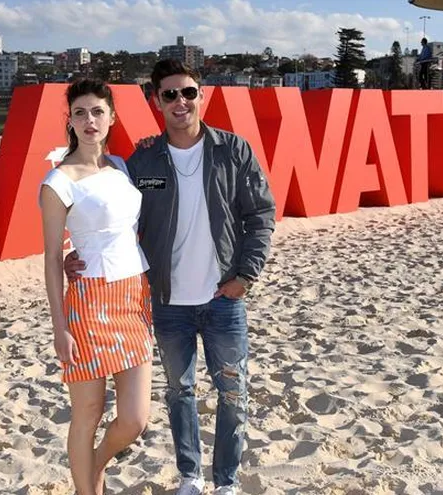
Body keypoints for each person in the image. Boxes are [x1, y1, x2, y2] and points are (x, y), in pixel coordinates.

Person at [66, 60, 276, 494]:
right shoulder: (143, 160)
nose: (181, 102)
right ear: (155, 101)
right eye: (170, 95)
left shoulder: (232, 150)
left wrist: (246, 276)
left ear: (202, 96)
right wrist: (76, 255)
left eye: (189, 92)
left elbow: (260, 215)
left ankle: (226, 481)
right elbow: (112, 217)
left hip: (224, 297)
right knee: (180, 393)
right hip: (166, 300)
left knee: (233, 393)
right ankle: (190, 477)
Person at [39, 78, 153, 495]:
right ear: (69, 119)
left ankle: (95, 464)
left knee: (135, 419)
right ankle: (87, 490)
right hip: (88, 301)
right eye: (81, 112)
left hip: (133, 296)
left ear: (112, 117)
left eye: (98, 112)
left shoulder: (121, 166)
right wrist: (59, 326)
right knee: (87, 412)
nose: (90, 120)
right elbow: (53, 257)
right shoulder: (58, 181)